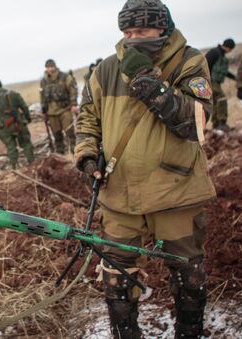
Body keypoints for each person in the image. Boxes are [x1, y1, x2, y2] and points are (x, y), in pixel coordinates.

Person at [75, 1, 216, 337]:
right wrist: (87, 156)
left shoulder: (189, 61)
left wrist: (150, 82)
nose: (133, 38)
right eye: (127, 32)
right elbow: (87, 120)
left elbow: (196, 122)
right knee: (116, 279)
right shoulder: (106, 70)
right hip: (120, 193)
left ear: (162, 28)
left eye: (141, 31)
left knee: (188, 276)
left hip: (176, 189)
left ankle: (189, 333)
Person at [0, 77, 35, 169]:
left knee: (11, 147)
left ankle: (14, 167)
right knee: (26, 143)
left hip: (4, 128)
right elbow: (24, 107)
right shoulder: (13, 94)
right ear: (1, 84)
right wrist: (28, 118)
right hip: (18, 124)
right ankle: (32, 163)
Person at [40, 59, 78, 154]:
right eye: (48, 67)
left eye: (52, 67)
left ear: (55, 66)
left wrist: (73, 104)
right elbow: (42, 95)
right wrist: (44, 109)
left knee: (69, 132)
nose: (50, 69)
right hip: (51, 112)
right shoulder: (43, 81)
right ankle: (60, 153)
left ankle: (75, 151)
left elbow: (73, 89)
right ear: (46, 68)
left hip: (65, 109)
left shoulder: (65, 77)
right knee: (57, 134)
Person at [205, 38, 236, 132]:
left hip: (214, 82)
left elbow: (224, 71)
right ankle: (221, 123)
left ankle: (216, 124)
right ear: (228, 47)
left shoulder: (220, 54)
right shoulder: (214, 52)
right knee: (221, 98)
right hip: (210, 80)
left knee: (216, 101)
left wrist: (235, 78)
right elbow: (204, 65)